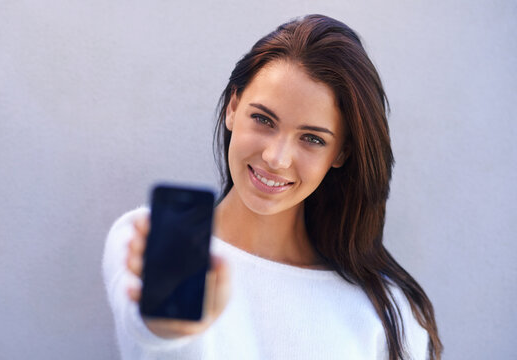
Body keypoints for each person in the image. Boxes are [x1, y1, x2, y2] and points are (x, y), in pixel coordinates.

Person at [103, 14, 443, 360]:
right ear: (233, 108)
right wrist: (171, 329)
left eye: (312, 139)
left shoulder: (388, 309)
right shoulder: (146, 238)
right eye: (263, 119)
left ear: (341, 152)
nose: (276, 158)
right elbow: (147, 337)